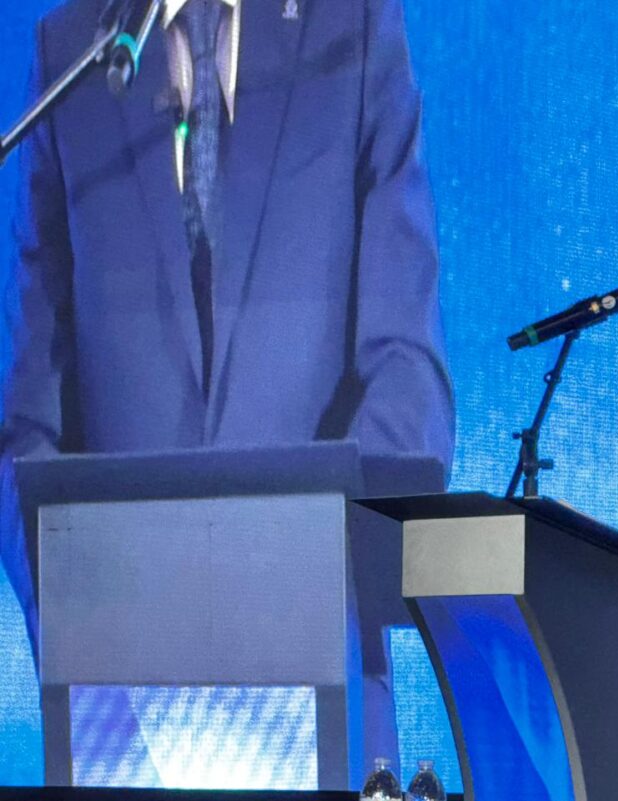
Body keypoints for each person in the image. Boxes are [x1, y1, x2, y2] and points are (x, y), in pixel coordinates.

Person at [0, 0, 453, 774]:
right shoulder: (75, 52)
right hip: (119, 705)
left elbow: (408, 366)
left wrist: (317, 582)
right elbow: (25, 412)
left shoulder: (351, 27)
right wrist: (75, 617)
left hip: (320, 675)